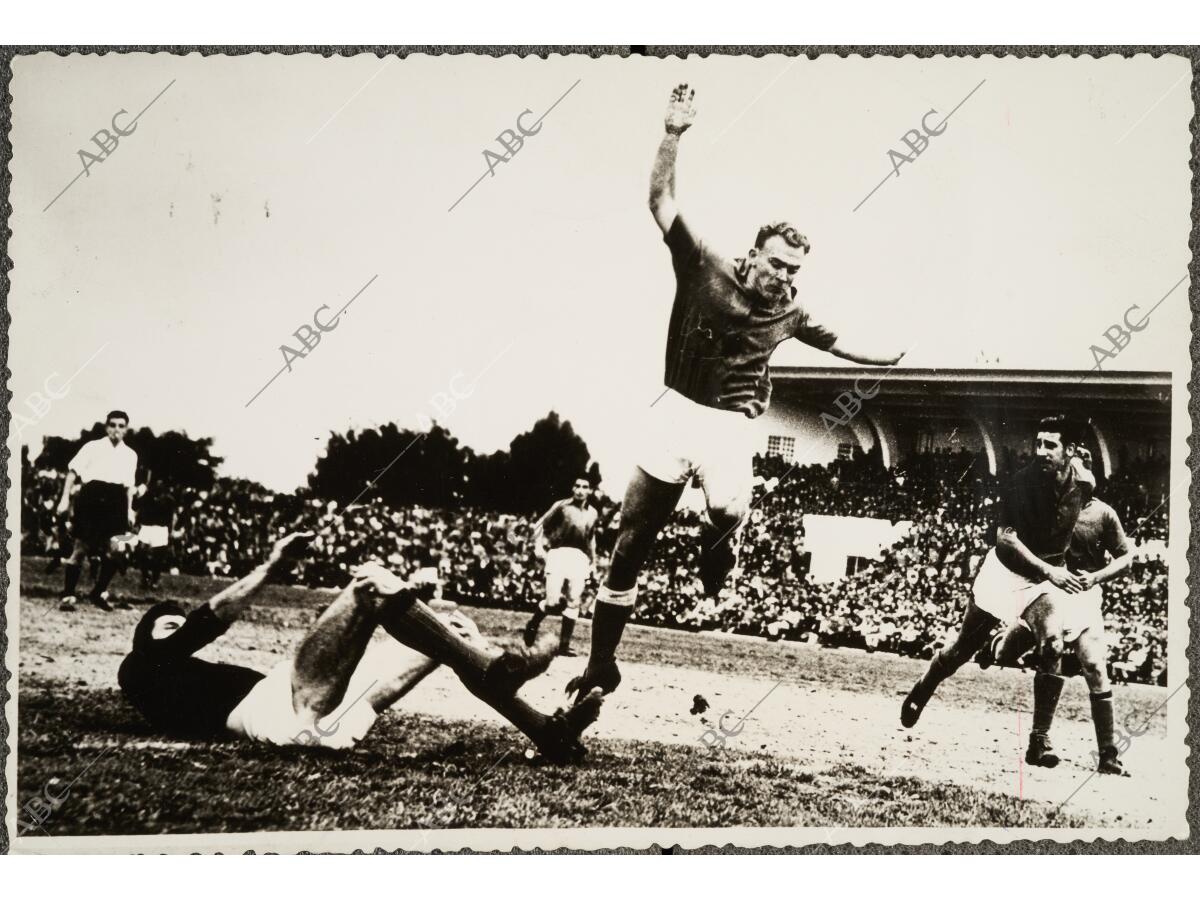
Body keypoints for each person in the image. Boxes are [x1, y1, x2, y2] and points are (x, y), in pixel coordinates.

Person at [567, 83, 905, 702]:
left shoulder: (792, 311)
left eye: (794, 271)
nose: (784, 278)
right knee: (628, 545)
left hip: (730, 425)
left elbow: (837, 342)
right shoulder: (702, 264)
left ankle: (720, 546)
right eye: (777, 265)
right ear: (753, 255)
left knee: (725, 513)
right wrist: (672, 134)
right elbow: (659, 200)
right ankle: (599, 666)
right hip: (674, 410)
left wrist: (888, 355)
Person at [118, 532, 604, 763]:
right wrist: (270, 567)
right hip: (280, 714)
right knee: (370, 581)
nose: (176, 630)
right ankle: (498, 670)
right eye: (166, 626)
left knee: (451, 626)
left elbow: (194, 632)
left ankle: (547, 733)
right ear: (146, 639)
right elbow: (205, 625)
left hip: (327, 718)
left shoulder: (174, 672)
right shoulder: (138, 669)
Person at [900, 415, 1087, 771]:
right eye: (1039, 443)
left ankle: (1038, 740)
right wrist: (1052, 569)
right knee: (959, 651)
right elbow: (1006, 539)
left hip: (1042, 582)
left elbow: (1078, 511)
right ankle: (924, 687)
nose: (1042, 451)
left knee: (1053, 645)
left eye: (1051, 445)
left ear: (1071, 452)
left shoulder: (1086, 482)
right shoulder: (1023, 481)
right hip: (1004, 574)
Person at [979, 450, 1133, 774]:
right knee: (1008, 652)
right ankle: (993, 645)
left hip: (1085, 594)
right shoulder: (1047, 510)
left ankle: (1106, 753)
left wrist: (1096, 576)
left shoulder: (1104, 514)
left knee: (1094, 664)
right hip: (1046, 593)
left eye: (1084, 477)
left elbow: (1125, 558)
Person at [57, 410, 139, 611]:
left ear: (126, 429)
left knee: (116, 549)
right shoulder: (92, 447)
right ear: (106, 427)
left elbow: (128, 487)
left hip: (116, 501)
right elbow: (72, 473)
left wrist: (129, 510)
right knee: (81, 548)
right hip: (92, 498)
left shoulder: (130, 455)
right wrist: (64, 499)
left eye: (121, 426)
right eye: (112, 425)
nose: (116, 430)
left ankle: (98, 592)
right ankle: (68, 595)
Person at [522, 477, 598, 656]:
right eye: (577, 486)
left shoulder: (593, 513)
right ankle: (532, 625)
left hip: (579, 557)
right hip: (559, 553)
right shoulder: (561, 506)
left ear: (590, 491)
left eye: (584, 487)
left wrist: (593, 561)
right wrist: (538, 547)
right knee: (553, 602)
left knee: (573, 601)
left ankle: (564, 645)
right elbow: (539, 524)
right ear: (572, 488)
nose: (580, 490)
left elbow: (591, 538)